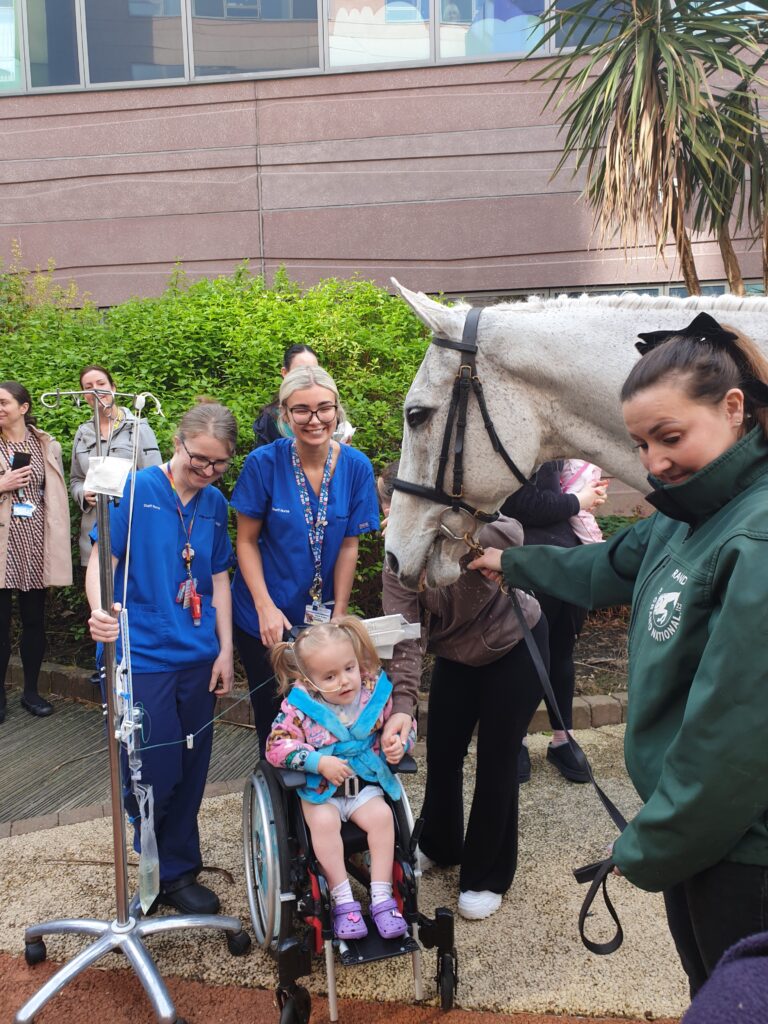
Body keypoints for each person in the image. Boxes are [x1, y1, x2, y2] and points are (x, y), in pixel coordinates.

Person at [469, 312, 768, 994]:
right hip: (699, 835)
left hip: (746, 851)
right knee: (707, 992)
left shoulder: (755, 535)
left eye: (670, 437)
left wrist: (648, 844)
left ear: (732, 408)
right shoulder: (686, 513)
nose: (655, 463)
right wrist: (511, 563)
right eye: (641, 444)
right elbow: (605, 567)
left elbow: (734, 737)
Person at [87, 400, 237, 915]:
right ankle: (151, 866)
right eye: (199, 459)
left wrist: (225, 651)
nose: (207, 471)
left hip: (197, 655)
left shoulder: (215, 503)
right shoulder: (136, 488)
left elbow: (218, 577)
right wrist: (98, 611)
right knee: (152, 767)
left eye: (219, 463)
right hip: (142, 652)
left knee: (193, 765)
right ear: (176, 442)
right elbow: (101, 559)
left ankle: (177, 871)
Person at [379, 461, 546, 920]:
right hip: (458, 656)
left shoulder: (472, 527)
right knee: (444, 749)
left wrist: (453, 530)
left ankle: (487, 875)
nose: (399, 519)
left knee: (498, 757)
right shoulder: (399, 564)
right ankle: (439, 843)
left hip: (514, 642)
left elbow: (512, 535)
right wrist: (403, 706)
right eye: (391, 509)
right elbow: (405, 638)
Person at [231, 365, 380, 755]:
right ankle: (282, 791)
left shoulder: (356, 466)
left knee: (328, 707)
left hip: (322, 617)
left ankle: (321, 798)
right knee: (276, 712)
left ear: (337, 410)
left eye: (324, 408)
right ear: (284, 415)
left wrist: (341, 615)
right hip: (265, 614)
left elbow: (350, 544)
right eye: (302, 410)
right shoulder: (263, 464)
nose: (315, 420)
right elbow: (245, 541)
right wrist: (264, 606)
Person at [266, 616, 415, 940]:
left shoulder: (374, 694)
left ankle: (381, 897)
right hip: (322, 792)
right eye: (330, 676)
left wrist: (397, 743)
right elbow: (276, 746)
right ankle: (344, 900)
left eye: (349, 669)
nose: (345, 681)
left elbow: (403, 725)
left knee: (382, 817)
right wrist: (318, 762)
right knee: (322, 823)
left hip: (362, 787)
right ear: (309, 680)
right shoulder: (300, 708)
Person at [501, 460, 607, 784]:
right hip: (528, 560)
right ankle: (514, 739)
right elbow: (521, 504)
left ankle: (563, 737)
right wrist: (578, 501)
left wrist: (582, 498)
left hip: (568, 561)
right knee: (524, 657)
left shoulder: (557, 445)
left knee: (562, 653)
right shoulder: (512, 445)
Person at [0, 381, 72, 721]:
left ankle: (31, 691)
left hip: (35, 543)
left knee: (33, 621)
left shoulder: (45, 444)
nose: (0, 408)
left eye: (4, 402)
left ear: (24, 407)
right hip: (2, 546)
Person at [70, 365, 162, 568]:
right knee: (98, 596)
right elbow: (76, 480)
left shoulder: (137, 427)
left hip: (133, 531)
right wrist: (83, 494)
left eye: (101, 384)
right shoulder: (83, 433)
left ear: (113, 387)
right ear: (84, 395)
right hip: (93, 533)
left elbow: (156, 480)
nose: (96, 390)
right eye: (88, 387)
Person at [253, 344, 320, 447]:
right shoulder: (270, 418)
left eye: (314, 371)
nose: (309, 376)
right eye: (300, 371)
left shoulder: (328, 412)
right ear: (285, 372)